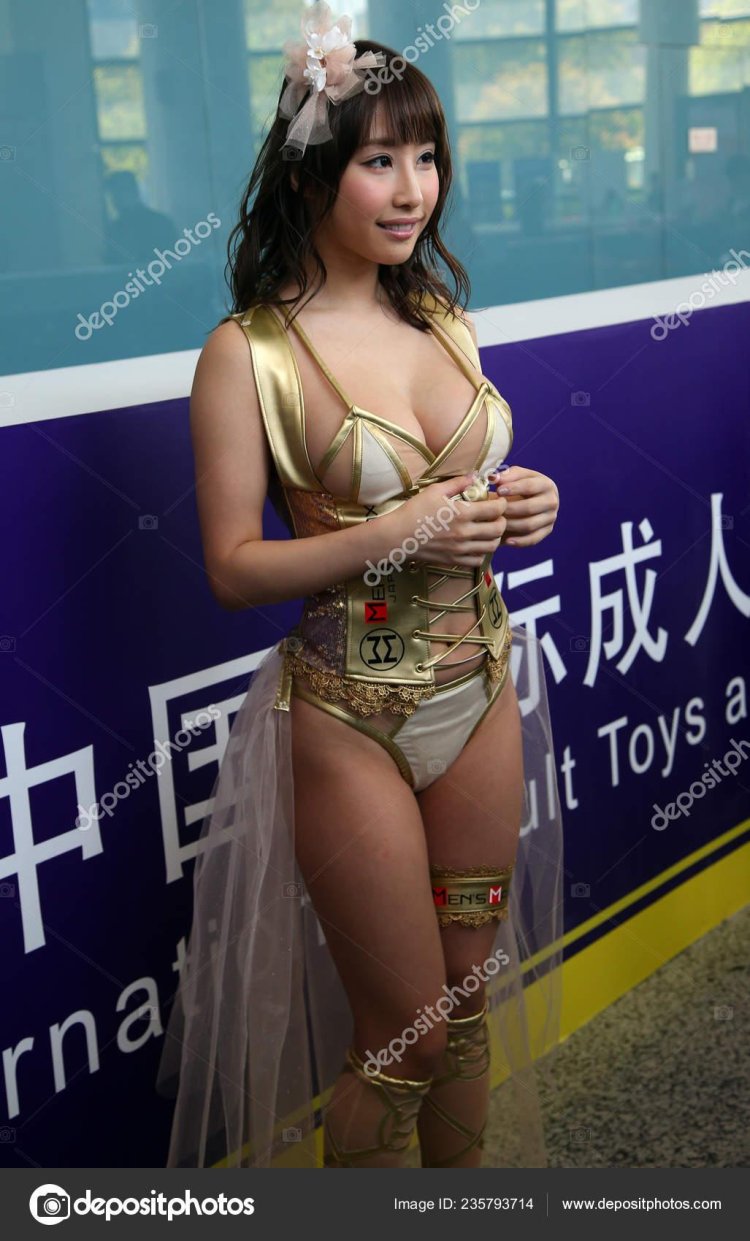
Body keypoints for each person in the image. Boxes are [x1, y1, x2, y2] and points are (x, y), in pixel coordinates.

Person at [156, 1, 564, 1170]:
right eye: (379, 160)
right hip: (348, 712)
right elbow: (234, 569)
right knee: (403, 1039)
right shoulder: (249, 353)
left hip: (478, 684)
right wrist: (398, 530)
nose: (411, 189)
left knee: (467, 1007)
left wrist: (525, 503)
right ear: (310, 172)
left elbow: (466, 497)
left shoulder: (442, 318)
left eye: (426, 157)